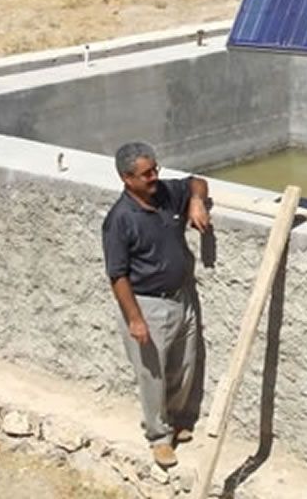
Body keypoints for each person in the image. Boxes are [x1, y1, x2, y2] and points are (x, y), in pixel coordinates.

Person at [102, 141, 211, 468]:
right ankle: (158, 437)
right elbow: (118, 275)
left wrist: (196, 201)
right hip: (147, 306)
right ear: (126, 179)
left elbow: (197, 182)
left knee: (184, 364)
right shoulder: (120, 220)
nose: (154, 178)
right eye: (146, 174)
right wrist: (135, 319)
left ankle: (175, 421)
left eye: (155, 170)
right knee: (153, 375)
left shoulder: (165, 193)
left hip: (181, 298)